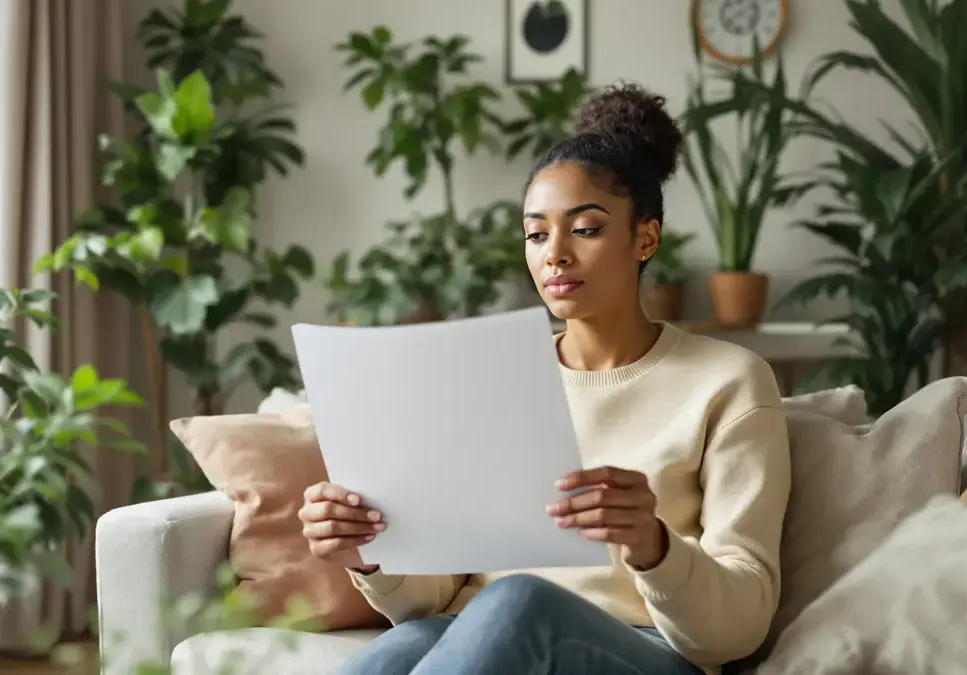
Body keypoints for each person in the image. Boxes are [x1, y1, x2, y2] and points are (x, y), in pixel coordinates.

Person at [298, 83, 791, 675]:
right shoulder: (493, 378)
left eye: (584, 229)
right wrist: (371, 554)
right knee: (404, 649)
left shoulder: (729, 381)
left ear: (645, 238)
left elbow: (740, 626)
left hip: (644, 651)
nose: (553, 254)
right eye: (536, 234)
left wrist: (652, 545)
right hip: (479, 632)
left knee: (516, 598)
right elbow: (426, 599)